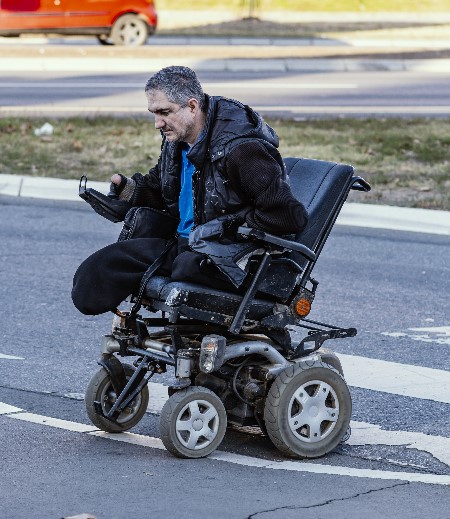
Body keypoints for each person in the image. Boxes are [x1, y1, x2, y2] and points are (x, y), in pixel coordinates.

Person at [72, 66, 308, 316]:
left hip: (232, 256)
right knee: (98, 271)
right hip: (188, 246)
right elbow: (163, 190)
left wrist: (227, 227)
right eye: (154, 113)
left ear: (192, 107)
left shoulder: (241, 150)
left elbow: (288, 216)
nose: (157, 123)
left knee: (186, 265)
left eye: (165, 112)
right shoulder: (178, 141)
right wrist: (127, 192)